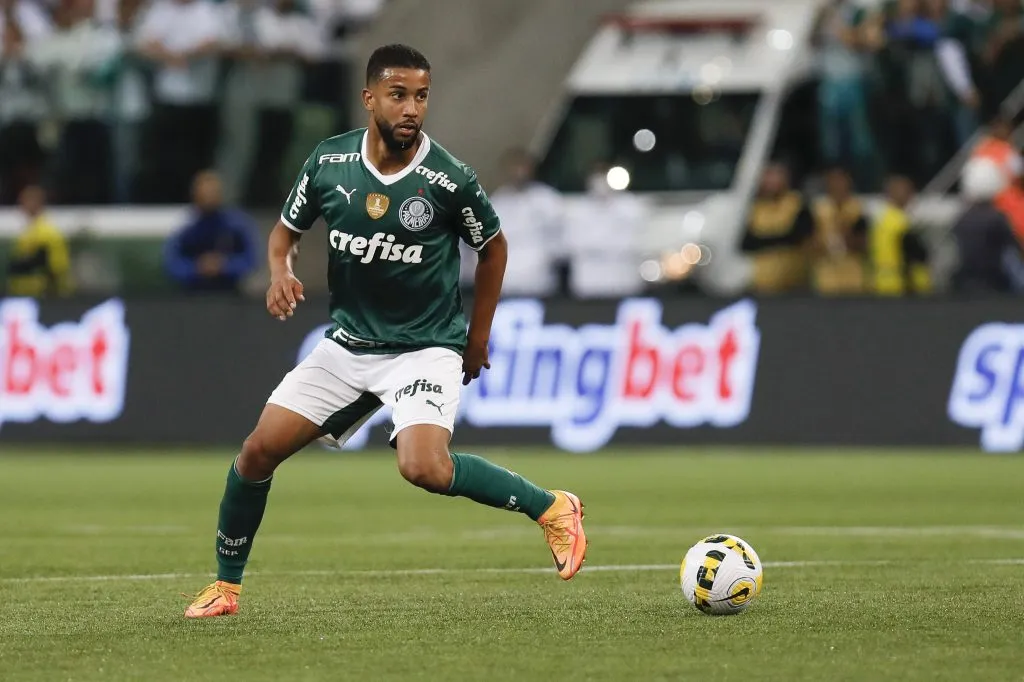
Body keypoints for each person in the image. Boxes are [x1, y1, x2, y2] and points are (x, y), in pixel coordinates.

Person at [182, 44, 588, 619]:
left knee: (423, 468)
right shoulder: (329, 163)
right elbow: (284, 231)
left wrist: (477, 336)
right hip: (348, 346)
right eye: (399, 95)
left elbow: (493, 249)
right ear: (369, 97)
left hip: (424, 347)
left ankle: (552, 508)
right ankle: (226, 589)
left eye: (421, 96)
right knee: (255, 454)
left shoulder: (449, 178)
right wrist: (281, 270)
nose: (411, 109)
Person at [162, 170, 259, 293]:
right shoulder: (185, 229)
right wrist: (197, 267)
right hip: (192, 296)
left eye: (213, 194)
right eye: (204, 195)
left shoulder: (237, 225)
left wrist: (224, 266)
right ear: (195, 196)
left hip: (229, 295)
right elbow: (172, 264)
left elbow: (251, 260)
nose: (209, 199)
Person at [4, 184, 73, 297]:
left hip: (43, 296)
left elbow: (57, 267)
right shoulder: (28, 231)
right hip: (24, 294)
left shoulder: (47, 231)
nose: (22, 206)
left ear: (37, 202)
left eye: (25, 201)